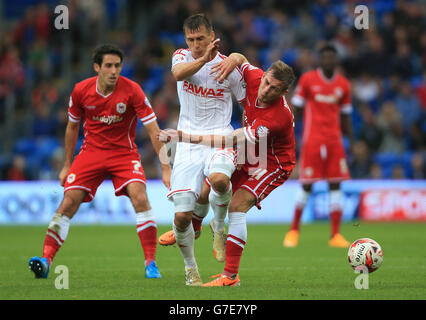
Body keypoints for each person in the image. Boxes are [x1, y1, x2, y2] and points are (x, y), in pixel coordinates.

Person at [28, 44, 171, 279]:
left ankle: (151, 264)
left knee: (140, 197)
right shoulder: (80, 91)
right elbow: (72, 127)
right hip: (90, 153)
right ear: (97, 67)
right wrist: (66, 164)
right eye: (108, 66)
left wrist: (166, 167)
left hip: (124, 153)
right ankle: (45, 261)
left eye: (117, 66)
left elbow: (154, 130)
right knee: (68, 203)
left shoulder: (133, 90)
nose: (114, 71)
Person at [158, 53, 296, 287]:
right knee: (210, 184)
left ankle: (230, 276)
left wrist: (184, 137)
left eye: (274, 89)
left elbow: (229, 140)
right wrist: (234, 58)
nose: (266, 90)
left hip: (271, 163)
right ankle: (195, 227)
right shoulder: (254, 77)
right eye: (266, 83)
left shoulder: (277, 118)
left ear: (283, 93)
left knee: (237, 205)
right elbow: (241, 60)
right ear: (263, 76)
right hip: (250, 150)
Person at [158, 14, 246, 286]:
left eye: (201, 39)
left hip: (220, 137)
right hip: (188, 143)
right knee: (182, 216)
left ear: (212, 36)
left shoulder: (228, 67)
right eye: (191, 39)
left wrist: (240, 58)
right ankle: (190, 268)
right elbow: (177, 75)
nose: (195, 44)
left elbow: (247, 104)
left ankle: (218, 227)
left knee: (219, 180)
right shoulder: (181, 57)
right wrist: (203, 60)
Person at [283, 44, 353, 248]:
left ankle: (335, 235)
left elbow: (346, 115)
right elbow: (297, 108)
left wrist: (353, 141)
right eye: (325, 57)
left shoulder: (343, 85)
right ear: (320, 60)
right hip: (313, 139)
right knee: (307, 184)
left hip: (334, 140)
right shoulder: (308, 80)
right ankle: (293, 230)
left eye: (332, 57)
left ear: (336, 60)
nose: (329, 61)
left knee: (336, 184)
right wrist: (290, 133)